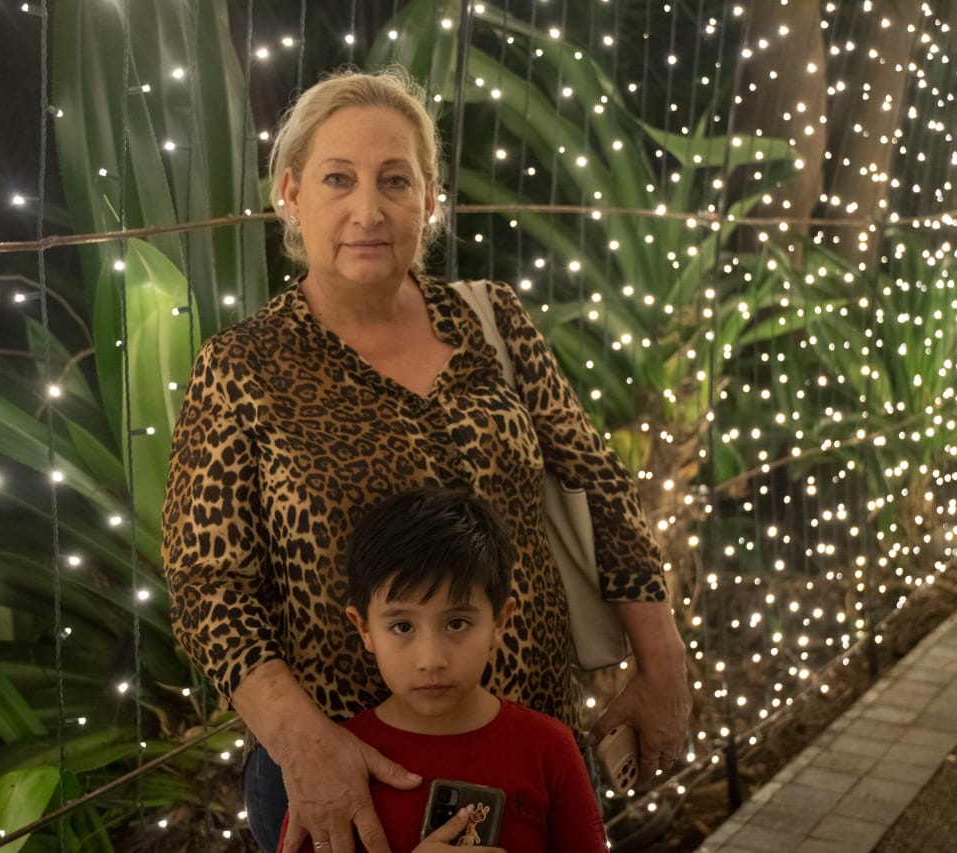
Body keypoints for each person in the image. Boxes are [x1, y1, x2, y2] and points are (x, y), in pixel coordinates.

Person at [161, 66, 690, 853]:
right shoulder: (242, 367)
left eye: (395, 180)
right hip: (356, 775)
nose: (367, 210)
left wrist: (663, 660)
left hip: (528, 748)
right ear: (291, 193)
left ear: (430, 199)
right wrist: (303, 743)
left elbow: (598, 483)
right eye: (338, 178)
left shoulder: (493, 319)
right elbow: (209, 586)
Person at [276, 486, 609, 852]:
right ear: (364, 628)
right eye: (402, 626)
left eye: (456, 624)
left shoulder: (549, 749)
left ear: (499, 622)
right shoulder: (334, 768)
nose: (431, 660)